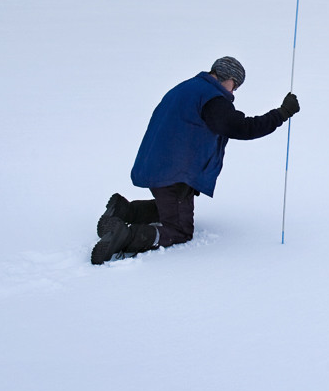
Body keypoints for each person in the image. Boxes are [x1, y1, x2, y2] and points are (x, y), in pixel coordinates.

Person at [92, 56, 300, 264]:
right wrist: (281, 114)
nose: (233, 92)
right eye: (235, 86)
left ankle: (124, 210)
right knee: (180, 229)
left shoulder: (188, 87)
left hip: (159, 163)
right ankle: (125, 236)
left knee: (173, 207)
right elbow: (240, 127)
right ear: (228, 78)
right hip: (174, 171)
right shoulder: (213, 98)